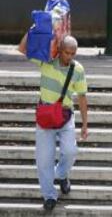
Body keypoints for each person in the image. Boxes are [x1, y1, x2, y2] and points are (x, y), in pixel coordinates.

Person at [17, 34, 88, 211]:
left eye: (73, 53)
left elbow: (82, 97)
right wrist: (31, 30)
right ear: (59, 50)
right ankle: (49, 195)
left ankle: (62, 174)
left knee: (70, 151)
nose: (69, 56)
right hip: (45, 116)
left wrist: (85, 124)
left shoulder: (77, 69)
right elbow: (22, 49)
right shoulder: (46, 62)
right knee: (43, 160)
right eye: (66, 52)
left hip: (65, 116)